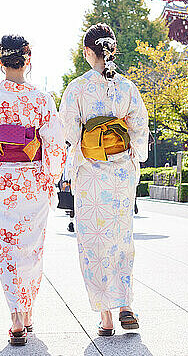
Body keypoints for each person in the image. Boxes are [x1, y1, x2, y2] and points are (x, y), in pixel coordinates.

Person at [0, 35, 66, 346]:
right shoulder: (42, 99)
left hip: (0, 184)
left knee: (4, 251)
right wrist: (52, 175)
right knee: (31, 250)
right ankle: (28, 310)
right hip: (33, 183)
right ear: (28, 57)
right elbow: (55, 145)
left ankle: (16, 316)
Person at [59, 23, 149, 337]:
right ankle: (126, 305)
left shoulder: (77, 88)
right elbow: (139, 130)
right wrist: (129, 153)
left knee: (93, 241)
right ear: (112, 50)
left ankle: (107, 317)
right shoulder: (127, 87)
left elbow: (69, 132)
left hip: (90, 172)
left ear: (87, 52)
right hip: (121, 172)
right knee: (122, 238)